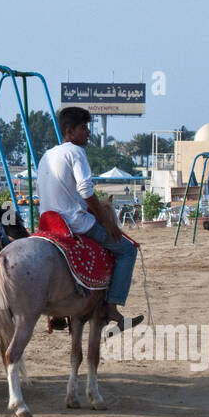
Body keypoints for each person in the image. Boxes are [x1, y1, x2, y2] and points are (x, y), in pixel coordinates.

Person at [37, 107, 143, 332]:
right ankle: (112, 307)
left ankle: (56, 312)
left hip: (48, 222)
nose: (88, 133)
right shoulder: (75, 152)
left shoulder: (47, 155)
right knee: (127, 250)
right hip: (74, 222)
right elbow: (86, 190)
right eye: (84, 128)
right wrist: (105, 220)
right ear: (69, 131)